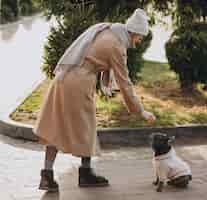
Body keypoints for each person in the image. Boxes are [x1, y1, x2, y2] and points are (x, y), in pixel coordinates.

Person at [33, 8, 156, 192]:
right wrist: (141, 110)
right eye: (139, 38)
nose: (138, 43)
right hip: (79, 83)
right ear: (134, 32)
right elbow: (125, 83)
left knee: (56, 126)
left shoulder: (107, 30)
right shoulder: (117, 46)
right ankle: (85, 173)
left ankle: (47, 174)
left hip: (64, 78)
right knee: (87, 127)